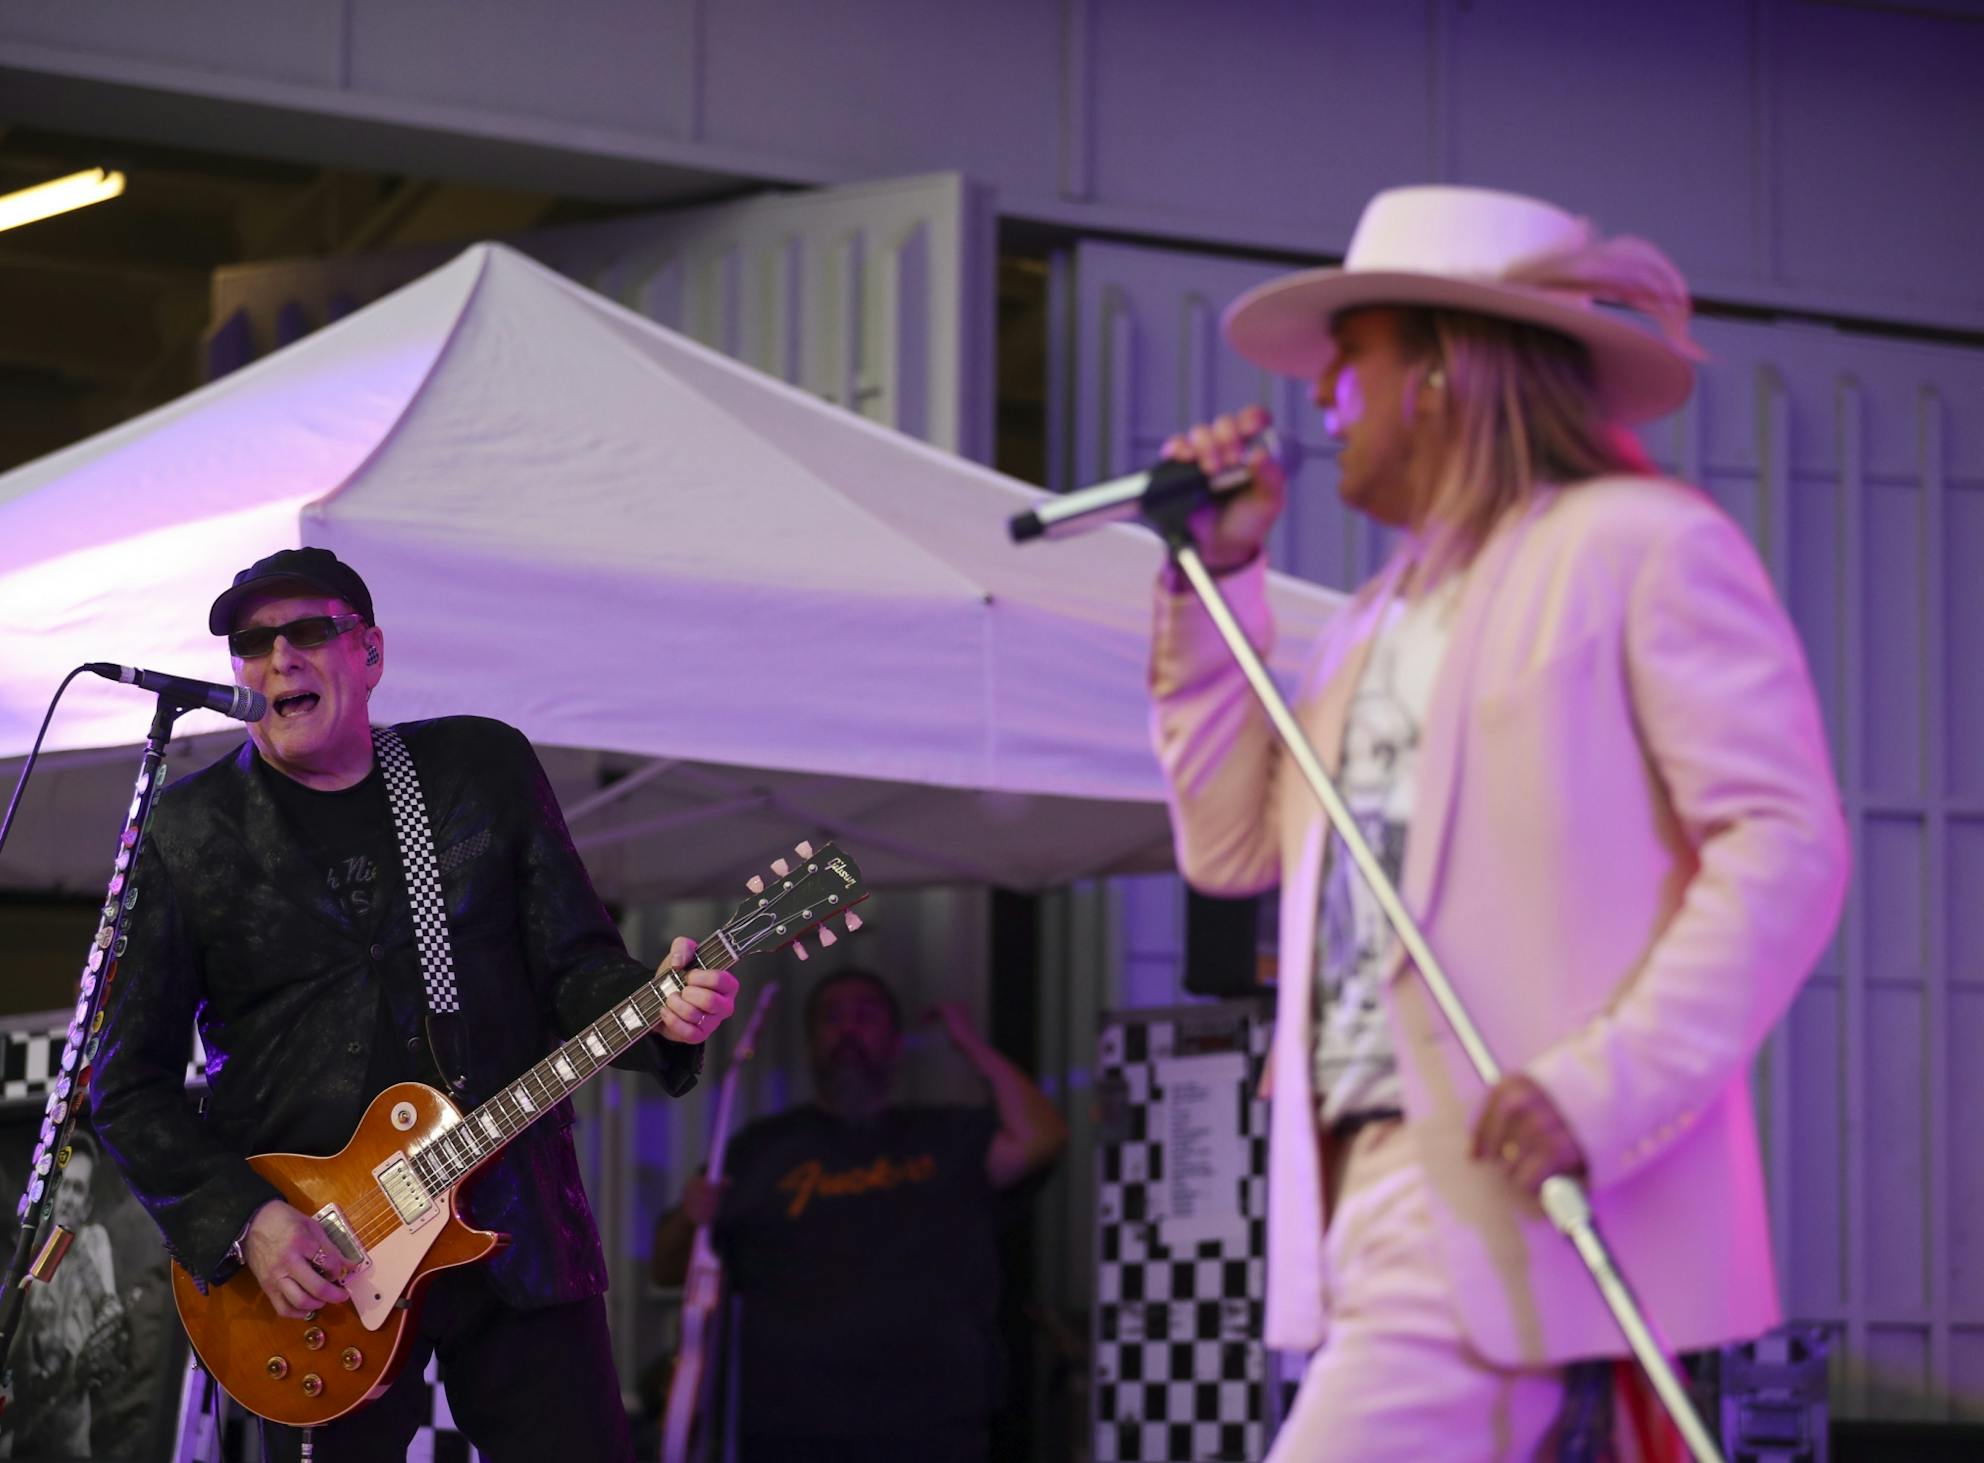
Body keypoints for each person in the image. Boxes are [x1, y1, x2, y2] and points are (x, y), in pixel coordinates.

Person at [1148, 186, 1847, 1458]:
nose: (1322, 399)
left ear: (1438, 372)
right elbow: (1230, 847)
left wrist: (1603, 1085)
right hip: (1359, 1185)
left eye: (1349, 358)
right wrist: (1218, 575)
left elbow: (1784, 845)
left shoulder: (1638, 545)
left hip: (1496, 1170)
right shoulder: (1368, 624)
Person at [90, 546, 739, 1462]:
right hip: (319, 1268)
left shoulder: (477, 769)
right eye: (253, 643)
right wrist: (247, 1221)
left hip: (512, 1220)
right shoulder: (188, 831)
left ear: (371, 652)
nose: (280, 658)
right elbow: (126, 1087)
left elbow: (573, 965)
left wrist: (659, 1005)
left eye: (307, 631)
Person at [651, 966, 1068, 1463]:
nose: (848, 1029)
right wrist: (690, 1216)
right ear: (810, 1041)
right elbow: (667, 1268)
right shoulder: (757, 1149)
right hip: (785, 1430)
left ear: (896, 1041)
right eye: (832, 1018)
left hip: (932, 1428)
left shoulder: (947, 1136)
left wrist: (969, 1044)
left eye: (865, 1016)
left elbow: (1042, 1138)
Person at [14, 1144, 127, 1457]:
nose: (67, 1198)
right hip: (28, 1427)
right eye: (63, 1185)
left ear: (87, 1205)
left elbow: (110, 1309)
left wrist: (76, 1369)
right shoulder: (35, 1252)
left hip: (71, 1434)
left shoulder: (92, 1241)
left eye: (77, 1189)